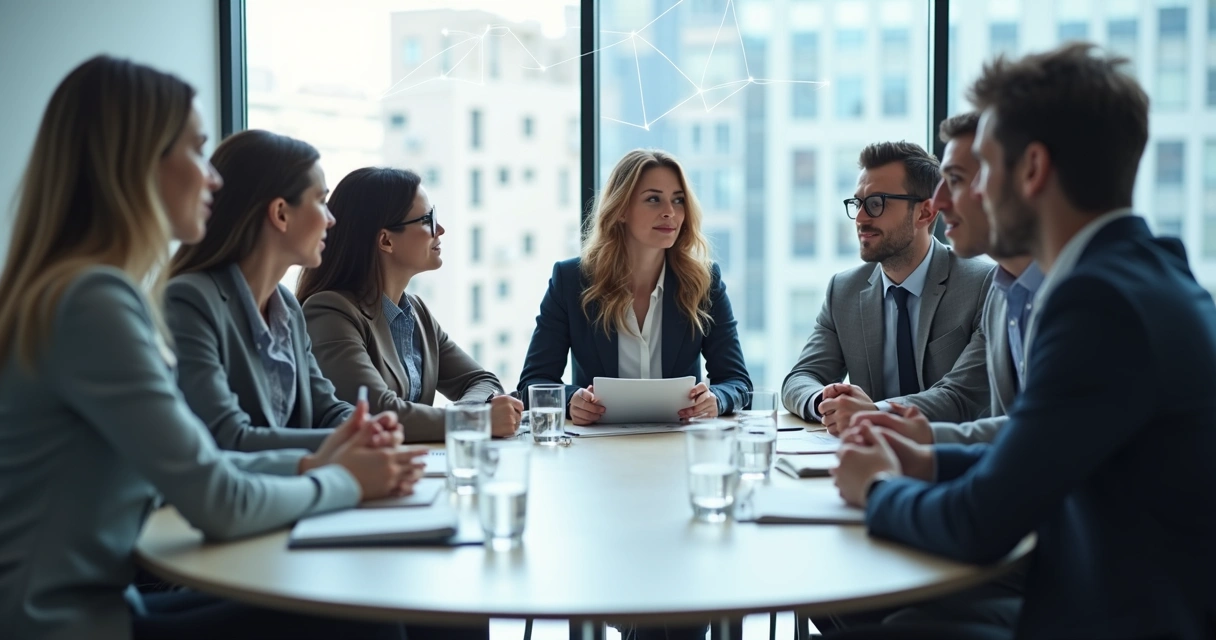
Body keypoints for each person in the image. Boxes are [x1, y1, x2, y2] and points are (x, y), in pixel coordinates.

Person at [0, 55, 423, 640]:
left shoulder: (82, 291)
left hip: (105, 607)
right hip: (69, 625)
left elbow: (205, 460)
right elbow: (216, 495)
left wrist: (320, 460)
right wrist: (348, 479)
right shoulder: (96, 302)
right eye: (197, 151)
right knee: (364, 621)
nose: (213, 177)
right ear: (138, 162)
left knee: (371, 609)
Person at [833, 43, 1216, 640]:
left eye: (980, 170)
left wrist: (877, 489)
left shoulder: (1097, 304)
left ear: (1032, 170)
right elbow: (1037, 446)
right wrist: (926, 459)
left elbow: (980, 522)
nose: (958, 198)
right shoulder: (1143, 271)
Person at [517, 149, 752, 427]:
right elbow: (533, 383)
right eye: (653, 199)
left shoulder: (704, 281)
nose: (670, 212)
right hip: (598, 449)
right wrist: (570, 401)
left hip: (678, 444)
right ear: (621, 211)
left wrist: (716, 398)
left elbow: (737, 383)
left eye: (678, 201)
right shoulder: (571, 280)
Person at [165, 130, 360, 452]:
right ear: (281, 213)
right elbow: (227, 437)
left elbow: (325, 408)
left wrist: (365, 426)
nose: (331, 219)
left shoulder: (286, 306)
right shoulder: (189, 301)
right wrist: (349, 441)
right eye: (321, 201)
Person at [782, 141, 993, 435]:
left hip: (949, 460)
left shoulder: (982, 285)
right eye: (857, 203)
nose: (860, 218)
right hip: (866, 461)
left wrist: (873, 413)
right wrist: (826, 401)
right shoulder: (843, 290)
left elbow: (961, 397)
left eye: (876, 203)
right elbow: (801, 378)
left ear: (925, 213)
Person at [297, 168, 522, 442]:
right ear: (386, 240)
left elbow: (481, 380)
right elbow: (378, 412)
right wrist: (475, 419)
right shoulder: (330, 312)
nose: (439, 229)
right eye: (428, 219)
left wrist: (473, 414)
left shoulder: (415, 312)